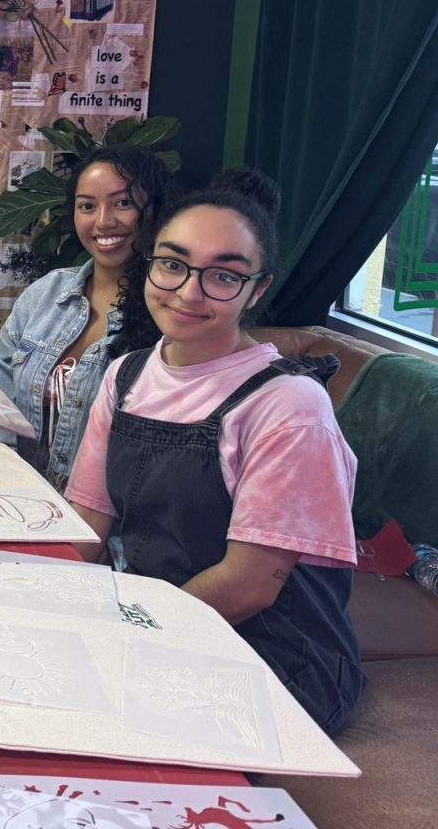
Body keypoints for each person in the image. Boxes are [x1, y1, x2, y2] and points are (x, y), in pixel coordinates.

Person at [65, 169, 366, 732]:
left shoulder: (290, 406)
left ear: (257, 289)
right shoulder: (126, 376)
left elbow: (249, 584)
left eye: (223, 276)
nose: (187, 292)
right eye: (173, 264)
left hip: (274, 657)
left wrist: (127, 639)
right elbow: (88, 519)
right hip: (156, 624)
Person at [0, 145, 175, 490]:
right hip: (19, 504)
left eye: (123, 203)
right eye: (87, 206)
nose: (104, 221)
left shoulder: (173, 313)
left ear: (155, 211)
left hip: (110, 533)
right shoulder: (45, 294)